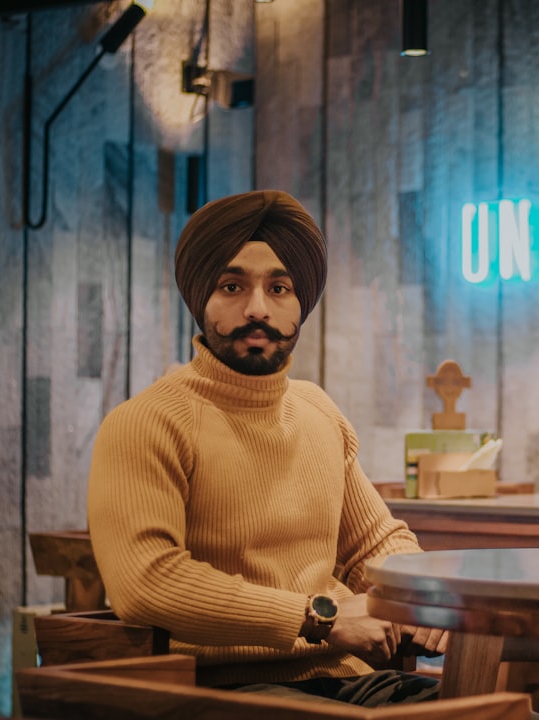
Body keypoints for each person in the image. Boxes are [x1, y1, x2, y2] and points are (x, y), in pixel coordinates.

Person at [87, 189, 448, 707]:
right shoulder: (146, 422)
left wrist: (423, 603)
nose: (257, 308)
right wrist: (316, 617)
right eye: (232, 285)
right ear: (200, 299)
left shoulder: (319, 412)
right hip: (218, 692)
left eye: (279, 287)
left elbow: (376, 543)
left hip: (345, 681)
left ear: (300, 303)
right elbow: (148, 583)